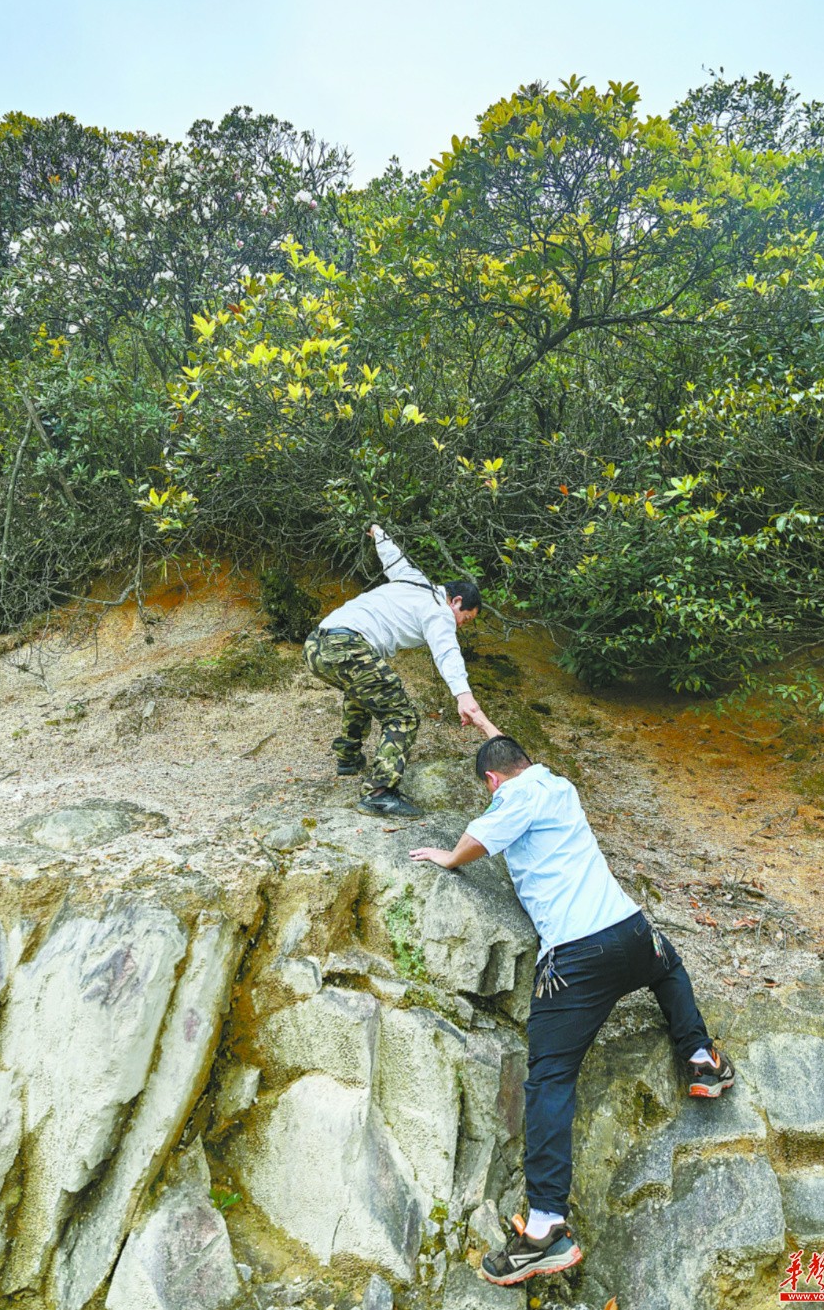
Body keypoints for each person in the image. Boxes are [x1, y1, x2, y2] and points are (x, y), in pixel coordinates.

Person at [410, 727, 735, 1287]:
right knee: (670, 966)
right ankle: (701, 1058)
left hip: (577, 957)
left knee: (551, 1078)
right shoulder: (557, 784)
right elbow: (512, 760)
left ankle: (544, 1227)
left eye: (491, 785)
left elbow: (483, 834)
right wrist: (487, 724)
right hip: (633, 933)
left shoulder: (513, 795)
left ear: (492, 780)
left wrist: (450, 856)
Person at [303, 524, 482, 818]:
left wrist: (378, 532)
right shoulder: (440, 610)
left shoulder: (413, 580)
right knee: (403, 717)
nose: (462, 625)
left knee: (360, 691)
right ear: (457, 601)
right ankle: (379, 793)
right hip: (348, 644)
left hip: (316, 644)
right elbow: (447, 652)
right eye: (466, 618)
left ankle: (348, 758)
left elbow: (394, 558)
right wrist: (463, 694)